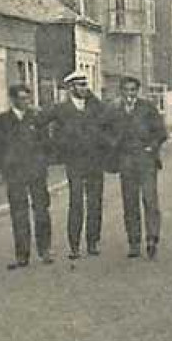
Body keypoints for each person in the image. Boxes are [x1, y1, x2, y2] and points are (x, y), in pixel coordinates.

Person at [42, 70, 115, 259]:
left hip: (95, 161)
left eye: (85, 85)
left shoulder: (95, 107)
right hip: (74, 161)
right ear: (71, 87)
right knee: (76, 203)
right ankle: (74, 245)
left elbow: (109, 120)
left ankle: (92, 242)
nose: (85, 89)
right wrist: (54, 147)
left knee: (95, 203)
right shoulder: (61, 109)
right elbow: (41, 121)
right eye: (80, 85)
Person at [0, 84, 53, 269]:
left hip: (36, 171)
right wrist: (4, 168)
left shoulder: (36, 118)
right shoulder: (3, 121)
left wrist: (43, 161)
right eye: (22, 98)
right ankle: (22, 254)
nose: (26, 102)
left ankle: (44, 250)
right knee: (19, 213)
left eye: (28, 98)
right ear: (13, 100)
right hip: (15, 173)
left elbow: (46, 143)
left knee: (42, 211)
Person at [114, 76, 168, 260]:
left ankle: (152, 239)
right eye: (126, 90)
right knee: (130, 202)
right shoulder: (114, 110)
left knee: (149, 199)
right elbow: (103, 130)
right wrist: (114, 145)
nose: (130, 94)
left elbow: (161, 132)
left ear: (137, 91)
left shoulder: (147, 108)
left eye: (133, 90)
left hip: (146, 160)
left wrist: (151, 147)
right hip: (126, 160)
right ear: (121, 92)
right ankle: (134, 242)